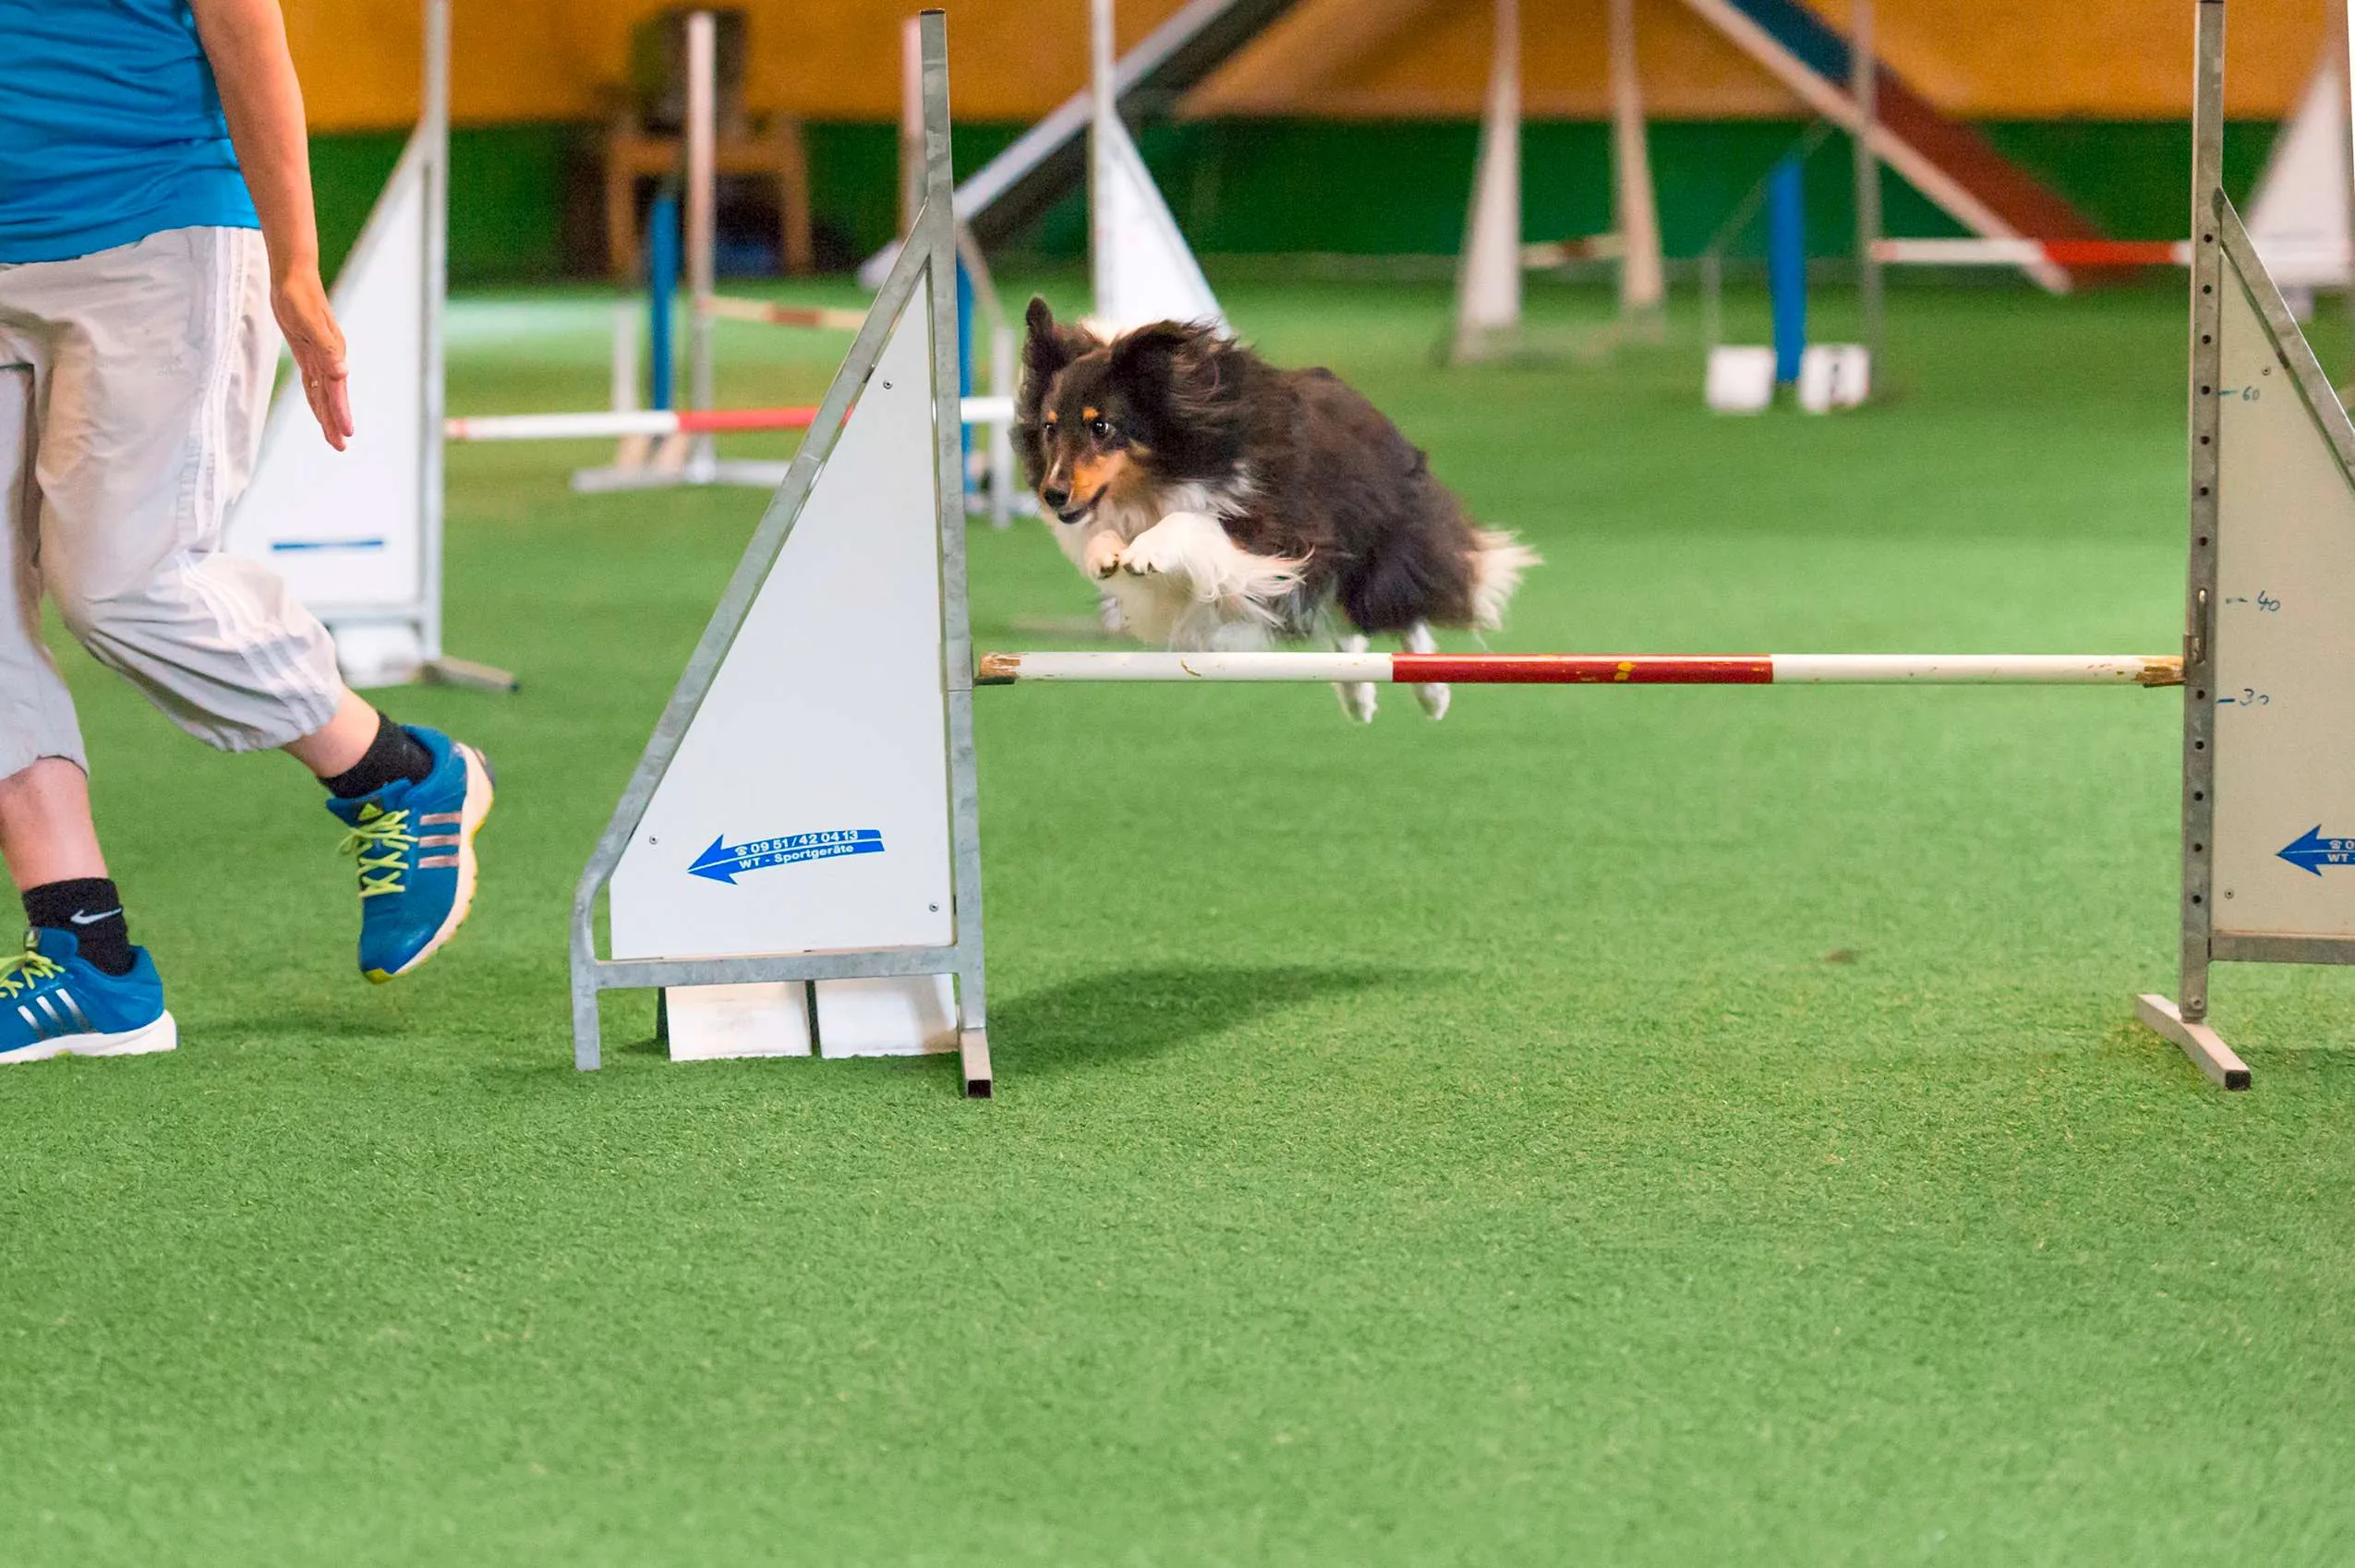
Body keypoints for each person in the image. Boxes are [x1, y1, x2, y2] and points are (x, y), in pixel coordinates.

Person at [0, 0, 493, 1062]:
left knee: (121, 583)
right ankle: (87, 955)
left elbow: (244, 31)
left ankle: (392, 771)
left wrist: (296, 267)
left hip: (152, 228)